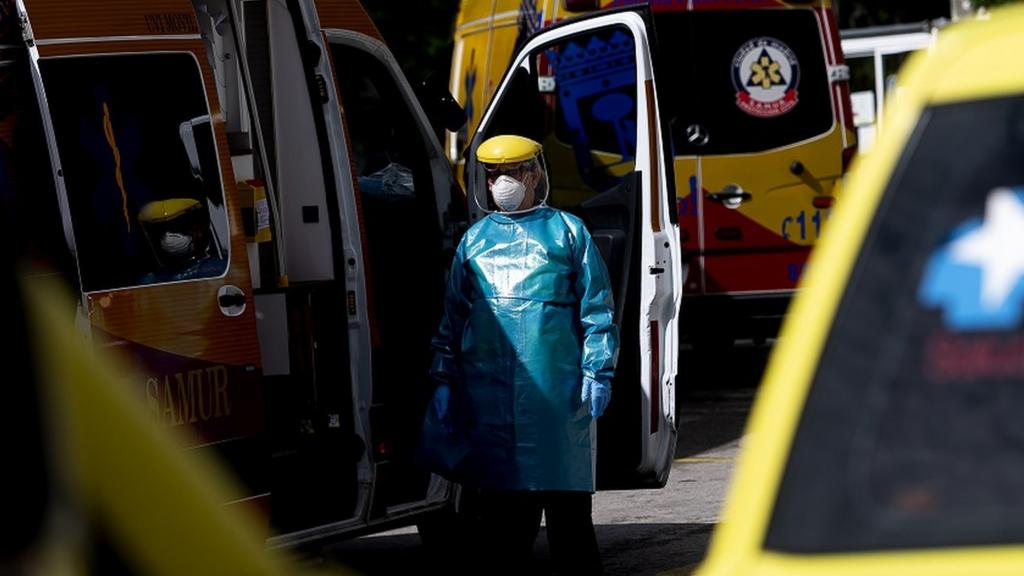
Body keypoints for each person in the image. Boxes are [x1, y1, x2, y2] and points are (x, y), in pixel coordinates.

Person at [421, 134, 617, 575]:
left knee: (570, 526)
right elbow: (452, 321)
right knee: (504, 531)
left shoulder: (569, 232)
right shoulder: (474, 242)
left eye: (512, 172)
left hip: (558, 401)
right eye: (494, 174)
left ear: (534, 175)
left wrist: (598, 370)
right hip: (492, 405)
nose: (503, 182)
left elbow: (597, 309)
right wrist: (443, 382)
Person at [137, 198, 226, 284]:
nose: (167, 236)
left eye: (177, 227)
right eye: (160, 231)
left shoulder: (220, 271)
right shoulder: (149, 282)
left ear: (198, 230)